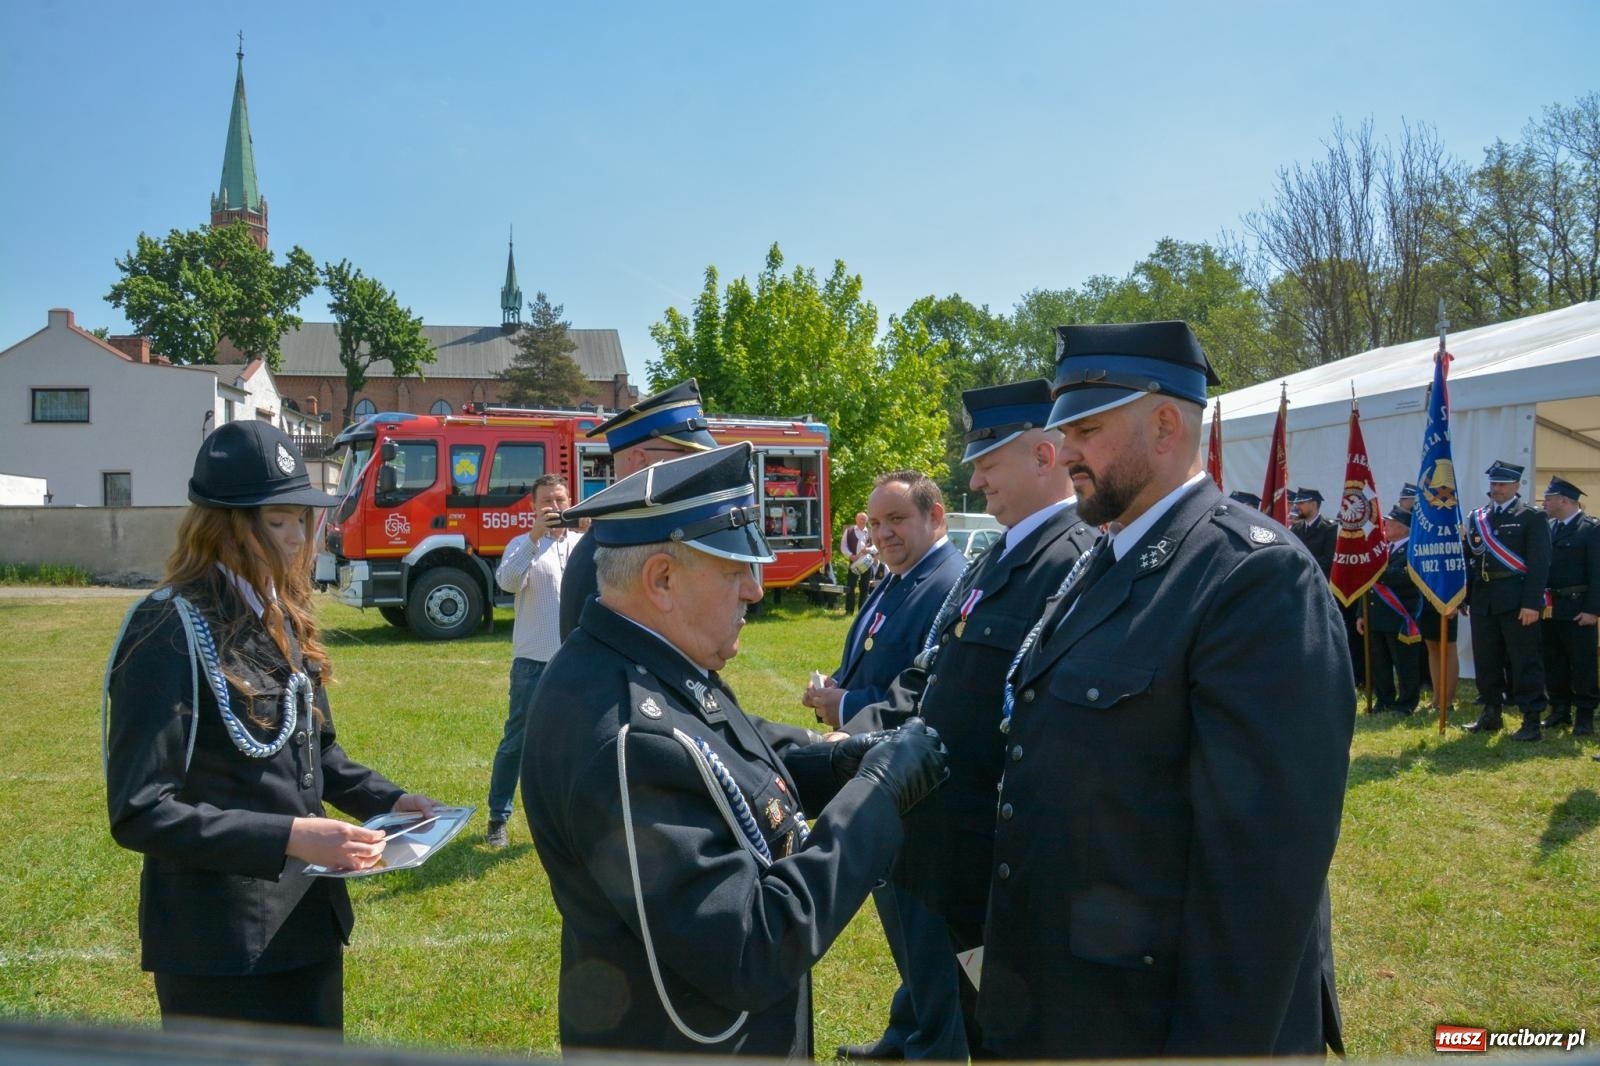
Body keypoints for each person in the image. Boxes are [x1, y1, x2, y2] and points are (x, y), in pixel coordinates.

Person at [986, 321, 1352, 1059]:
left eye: (1085, 427)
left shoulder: (1252, 579)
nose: (1066, 451)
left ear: (1163, 425)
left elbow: (1261, 877)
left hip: (1155, 1021)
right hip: (1074, 1000)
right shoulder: (1101, 560)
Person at [520, 442, 949, 1058]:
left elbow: (732, 745)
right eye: (733, 571)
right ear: (661, 581)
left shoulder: (645, 660)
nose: (754, 590)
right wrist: (875, 796)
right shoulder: (625, 733)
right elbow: (751, 945)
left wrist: (845, 757)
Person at [103, 420, 439, 1032]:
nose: (294, 540)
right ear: (222, 529)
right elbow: (140, 810)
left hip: (307, 926)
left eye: (300, 521)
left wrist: (392, 802)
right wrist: (291, 836)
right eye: (274, 522)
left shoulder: (282, 616)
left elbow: (317, 754)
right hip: (220, 946)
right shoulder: (165, 629)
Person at [838, 379, 1096, 1060]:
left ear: (1045, 454)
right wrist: (853, 738)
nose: (976, 478)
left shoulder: (1071, 558)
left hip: (992, 854)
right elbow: (937, 673)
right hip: (948, 844)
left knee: (992, 1028)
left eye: (990, 461)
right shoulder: (1004, 553)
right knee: (963, 1010)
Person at [803, 471, 964, 1061]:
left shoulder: (947, 582)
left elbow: (924, 688)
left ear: (935, 517)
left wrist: (843, 705)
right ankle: (906, 1033)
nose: (882, 533)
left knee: (924, 930)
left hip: (916, 782)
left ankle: (933, 1049)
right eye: (875, 523)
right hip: (880, 769)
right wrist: (840, 687)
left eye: (895, 519)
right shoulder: (899, 579)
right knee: (903, 924)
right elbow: (877, 658)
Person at [558, 378, 718, 640]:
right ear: (641, 461)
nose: (699, 469)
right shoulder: (604, 555)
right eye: (688, 455)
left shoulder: (638, 540)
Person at [486, 473, 578, 848]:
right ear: (533, 507)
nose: (555, 508)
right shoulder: (521, 545)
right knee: (517, 743)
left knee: (573, 744)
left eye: (560, 500)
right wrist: (534, 536)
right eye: (547, 502)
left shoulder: (582, 545)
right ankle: (498, 819)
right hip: (532, 665)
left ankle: (568, 820)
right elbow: (506, 582)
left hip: (574, 665)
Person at [1462, 460, 1551, 740]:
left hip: (1516, 599)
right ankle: (1491, 712)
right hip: (1484, 598)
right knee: (1486, 658)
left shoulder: (1531, 517)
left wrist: (1531, 603)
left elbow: (1540, 563)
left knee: (1524, 659)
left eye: (1502, 484)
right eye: (1493, 484)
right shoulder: (1479, 516)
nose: (1497, 489)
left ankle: (1531, 719)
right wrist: (1464, 595)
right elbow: (1470, 559)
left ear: (1517, 485)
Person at [1538, 476, 1598, 737]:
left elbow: (1598, 572)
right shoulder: (1549, 528)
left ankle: (1584, 715)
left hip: (1578, 608)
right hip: (1551, 607)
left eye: (1549, 499)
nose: (1544, 503)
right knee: (1554, 662)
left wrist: (1593, 610)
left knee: (1582, 665)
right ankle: (1559, 709)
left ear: (1564, 500)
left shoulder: (1591, 529)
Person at [1357, 505, 1424, 714]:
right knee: (1379, 662)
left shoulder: (1414, 549)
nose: (1385, 526)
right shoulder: (1382, 548)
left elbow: (1405, 578)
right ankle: (1384, 700)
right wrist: (1361, 613)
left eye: (1390, 523)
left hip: (1400, 615)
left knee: (1404, 663)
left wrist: (1377, 570)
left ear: (1403, 527)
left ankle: (1406, 703)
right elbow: (1366, 583)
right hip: (1375, 614)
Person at [841, 510, 874, 614]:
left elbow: (876, 546)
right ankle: (849, 610)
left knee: (865, 587)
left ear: (867, 520)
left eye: (864, 519)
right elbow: (843, 546)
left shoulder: (870, 532)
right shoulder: (849, 531)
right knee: (850, 586)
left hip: (867, 563)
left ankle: (862, 611)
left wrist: (868, 550)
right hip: (854, 562)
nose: (862, 521)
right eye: (860, 519)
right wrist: (850, 555)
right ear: (856, 519)